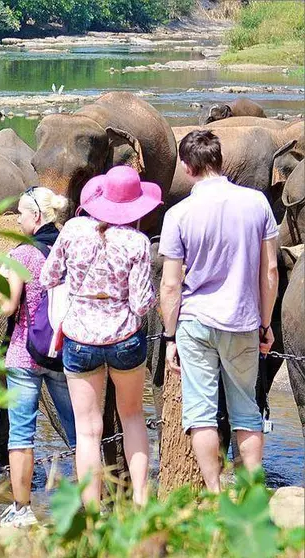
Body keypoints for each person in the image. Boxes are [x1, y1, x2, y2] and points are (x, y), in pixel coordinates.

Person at [159, 130, 278, 492]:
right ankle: (250, 494)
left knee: (200, 415)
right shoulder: (257, 203)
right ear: (220, 161)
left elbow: (170, 284)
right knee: (246, 411)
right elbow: (270, 270)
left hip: (195, 322)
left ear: (186, 167)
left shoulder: (178, 214)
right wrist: (266, 322)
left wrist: (169, 335)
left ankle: (214, 492)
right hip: (243, 321)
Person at [40, 165, 161, 508]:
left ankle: (91, 511)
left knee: (88, 431)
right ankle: (139, 501)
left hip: (79, 339)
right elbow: (141, 304)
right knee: (133, 417)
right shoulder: (137, 242)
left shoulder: (73, 230)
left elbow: (49, 277)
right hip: (125, 339)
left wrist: (81, 290)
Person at [0, 187, 77, 528]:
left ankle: (21, 510)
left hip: (24, 355)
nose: (18, 219)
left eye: (22, 214)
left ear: (37, 216)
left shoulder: (21, 255)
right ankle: (87, 503)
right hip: (62, 353)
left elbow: (9, 306)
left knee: (21, 434)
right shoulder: (70, 249)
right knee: (80, 433)